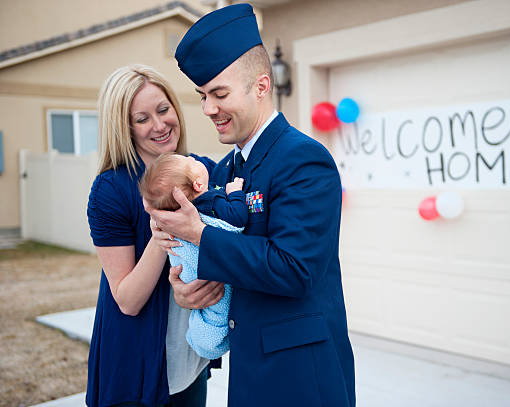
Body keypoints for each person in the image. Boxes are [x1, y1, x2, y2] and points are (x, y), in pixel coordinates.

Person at [146, 4, 356, 407]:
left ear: (261, 86)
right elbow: (224, 265)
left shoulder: (304, 159)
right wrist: (189, 289)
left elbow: (294, 270)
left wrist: (199, 234)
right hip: (248, 373)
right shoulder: (223, 169)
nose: (208, 108)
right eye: (203, 95)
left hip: (301, 377)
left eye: (219, 94)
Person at [86, 64, 223, 407]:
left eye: (164, 110)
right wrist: (162, 232)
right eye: (142, 118)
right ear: (126, 127)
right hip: (136, 365)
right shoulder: (111, 190)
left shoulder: (202, 170)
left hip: (189, 360)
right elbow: (127, 301)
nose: (160, 125)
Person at [139, 153, 248, 359]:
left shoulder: (180, 213)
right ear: (198, 185)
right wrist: (234, 194)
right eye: (194, 162)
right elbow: (236, 219)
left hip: (194, 279)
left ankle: (204, 336)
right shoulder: (209, 201)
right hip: (208, 285)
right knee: (216, 311)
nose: (197, 159)